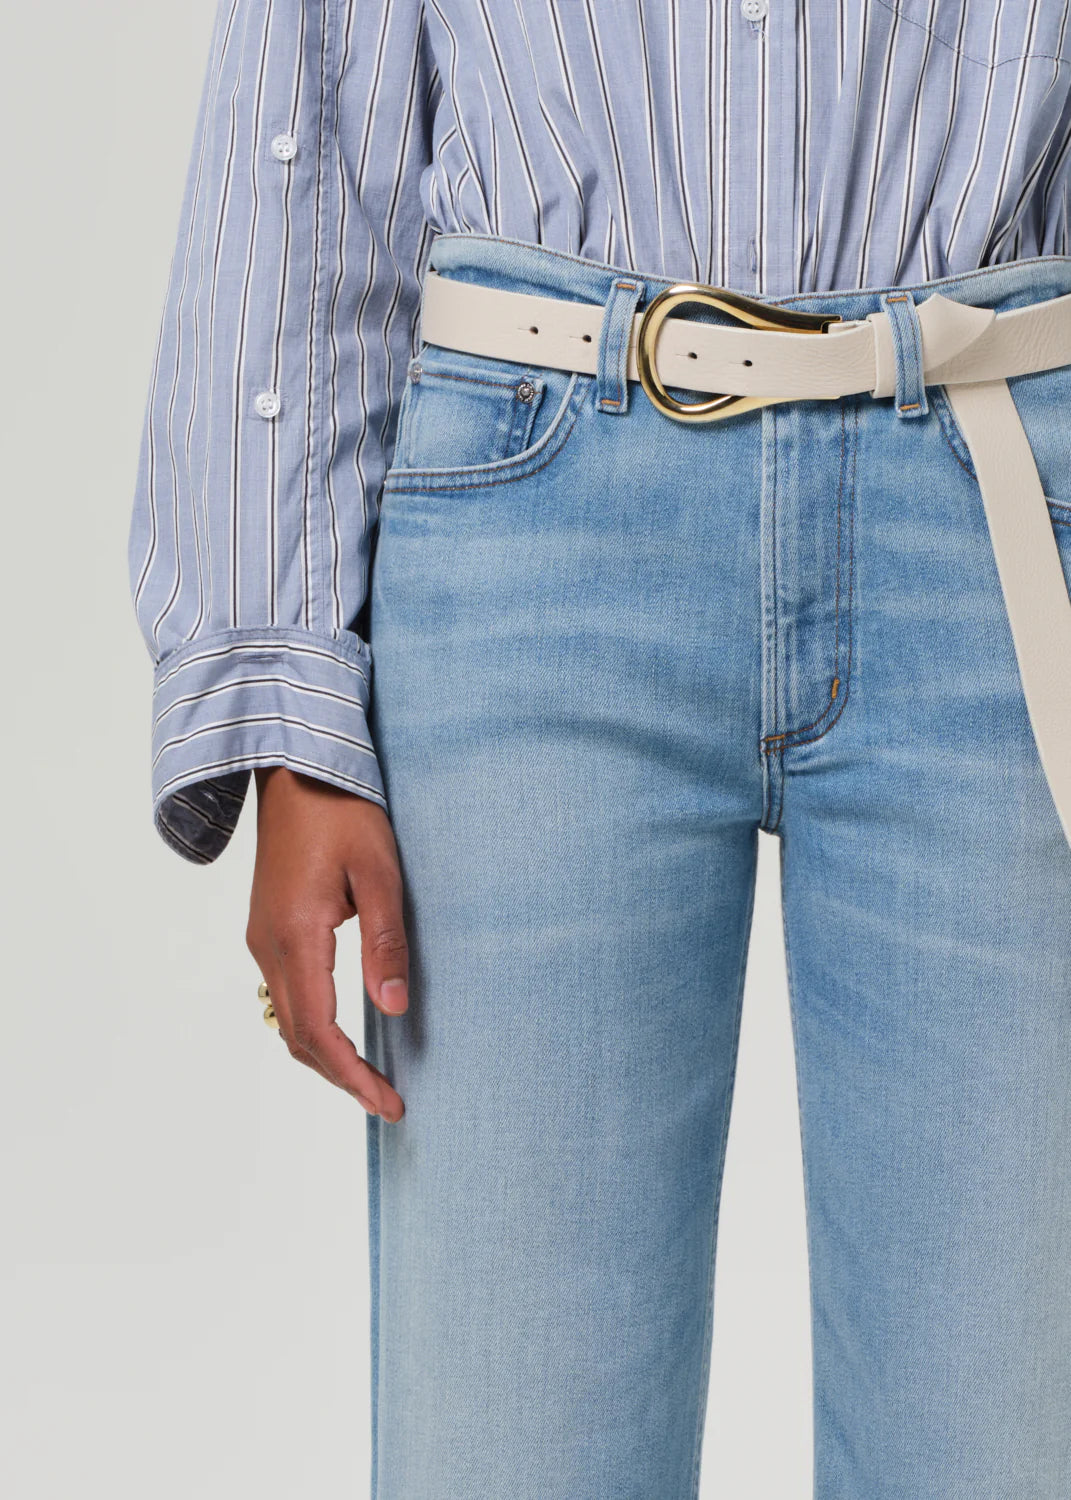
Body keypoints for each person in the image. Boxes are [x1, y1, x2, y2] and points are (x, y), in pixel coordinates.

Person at [128, 3, 1071, 1495]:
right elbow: (310, 92)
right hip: (534, 530)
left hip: (999, 509)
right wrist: (291, 694)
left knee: (1012, 1440)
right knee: (511, 1449)